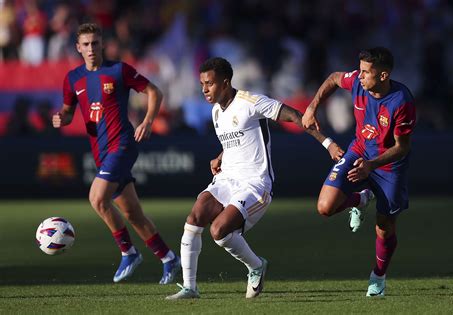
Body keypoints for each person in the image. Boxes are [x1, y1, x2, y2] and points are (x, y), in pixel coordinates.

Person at [166, 57, 344, 300]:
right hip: (227, 179)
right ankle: (190, 288)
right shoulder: (217, 111)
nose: (204, 89)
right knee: (194, 218)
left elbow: (294, 115)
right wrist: (220, 156)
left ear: (225, 82)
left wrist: (328, 143)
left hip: (255, 184)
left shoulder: (251, 102)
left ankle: (256, 266)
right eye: (202, 84)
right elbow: (237, 141)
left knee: (219, 231)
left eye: (210, 83)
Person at [52, 23, 180, 284]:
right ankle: (168, 258)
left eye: (95, 43)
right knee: (133, 213)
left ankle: (128, 252)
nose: (91, 49)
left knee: (98, 199)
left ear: (102, 44)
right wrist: (61, 118)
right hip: (101, 153)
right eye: (85, 44)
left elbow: (155, 91)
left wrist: (147, 121)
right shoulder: (73, 79)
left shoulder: (119, 71)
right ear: (78, 48)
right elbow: (67, 111)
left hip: (122, 144)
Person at [302, 47, 416, 297]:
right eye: (360, 70)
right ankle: (361, 198)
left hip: (388, 166)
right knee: (325, 207)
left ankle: (378, 276)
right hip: (359, 151)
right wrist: (313, 106)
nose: (360, 76)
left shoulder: (401, 101)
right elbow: (333, 77)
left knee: (384, 227)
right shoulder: (357, 82)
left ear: (383, 75)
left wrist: (371, 166)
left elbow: (402, 147)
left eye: (366, 72)